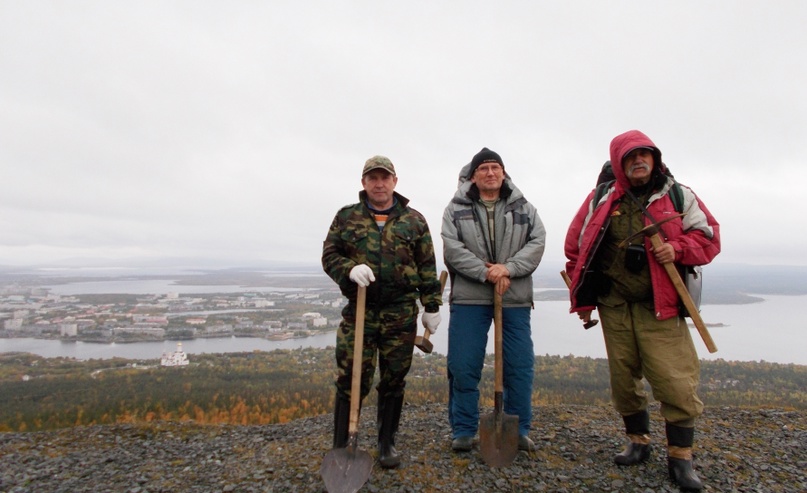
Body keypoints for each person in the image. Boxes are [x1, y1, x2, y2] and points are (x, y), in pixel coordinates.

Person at [564, 130, 721, 491]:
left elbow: (709, 237)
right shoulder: (601, 198)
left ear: (655, 158)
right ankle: (638, 442)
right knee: (623, 380)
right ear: (619, 163)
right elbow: (577, 248)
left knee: (675, 381)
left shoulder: (678, 196)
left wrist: (677, 249)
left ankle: (681, 457)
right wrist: (583, 299)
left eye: (644, 155)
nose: (638, 161)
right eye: (630, 157)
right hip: (614, 305)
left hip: (660, 306)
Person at [321, 155, 443, 469]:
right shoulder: (347, 217)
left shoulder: (413, 220)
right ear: (363, 183)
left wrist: (431, 307)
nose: (379, 183)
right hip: (359, 311)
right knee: (351, 378)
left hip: (400, 313)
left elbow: (427, 265)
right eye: (373, 178)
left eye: (384, 177)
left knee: (394, 379)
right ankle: (342, 445)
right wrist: (348, 269)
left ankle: (386, 443)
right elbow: (330, 255)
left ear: (394, 181)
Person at [441, 147, 546, 453]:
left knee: (519, 367)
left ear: (503, 173)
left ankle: (519, 429)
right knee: (463, 365)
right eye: (483, 168)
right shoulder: (456, 207)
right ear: (473, 176)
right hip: (469, 298)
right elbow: (452, 247)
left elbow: (537, 241)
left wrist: (508, 269)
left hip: (513, 297)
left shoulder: (524, 207)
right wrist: (485, 273)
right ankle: (464, 429)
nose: (490, 173)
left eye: (495, 168)